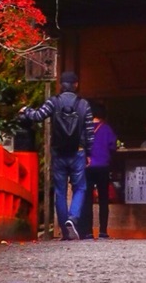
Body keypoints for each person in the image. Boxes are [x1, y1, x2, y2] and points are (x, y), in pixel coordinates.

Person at [20, 72, 92, 239]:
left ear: (61, 85)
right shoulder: (84, 105)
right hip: (78, 151)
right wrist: (89, 153)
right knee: (80, 187)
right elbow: (89, 132)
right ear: (76, 84)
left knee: (60, 190)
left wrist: (26, 110)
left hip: (59, 152)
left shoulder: (54, 102)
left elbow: (38, 116)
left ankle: (65, 231)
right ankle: (73, 218)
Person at [86, 104, 118, 240]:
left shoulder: (85, 129)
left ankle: (88, 231)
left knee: (87, 199)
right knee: (103, 199)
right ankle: (103, 231)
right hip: (103, 167)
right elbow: (113, 146)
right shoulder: (106, 128)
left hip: (87, 167)